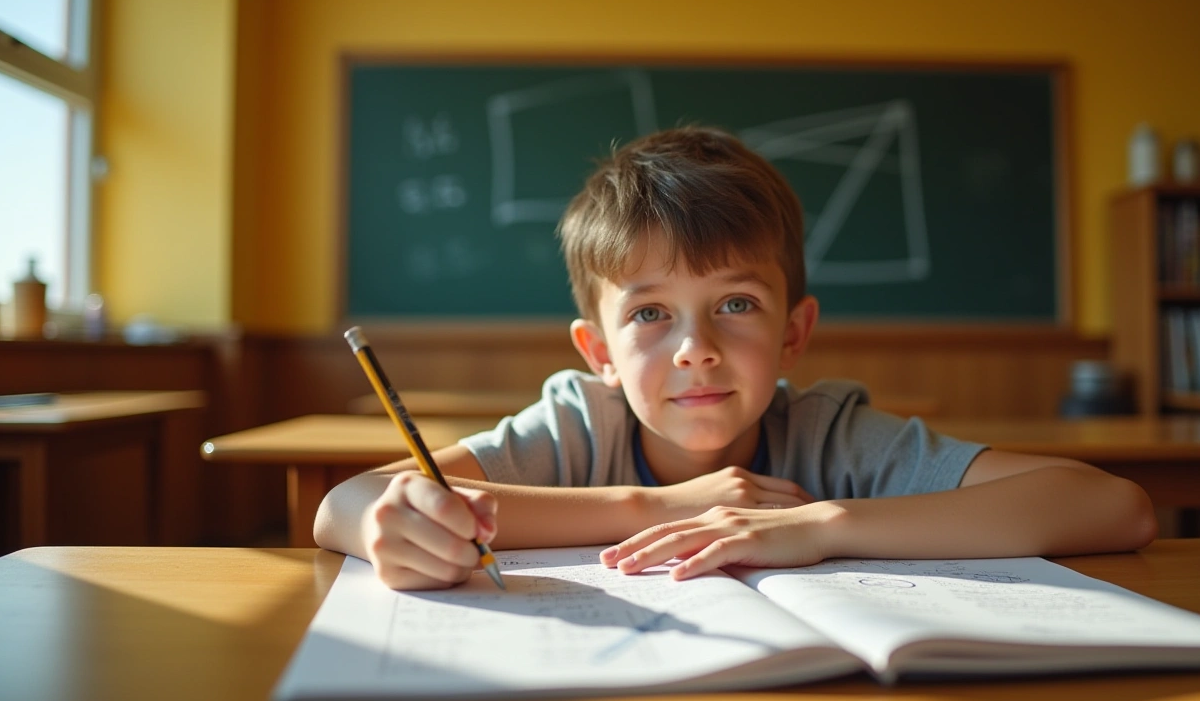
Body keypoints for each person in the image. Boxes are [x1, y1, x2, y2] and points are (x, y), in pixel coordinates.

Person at [315, 126, 1157, 590]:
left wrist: (817, 525)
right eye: (650, 313)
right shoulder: (579, 424)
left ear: (794, 331)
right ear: (598, 351)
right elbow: (346, 505)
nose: (696, 350)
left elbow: (1112, 507)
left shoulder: (830, 437)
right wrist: (663, 507)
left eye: (736, 305)